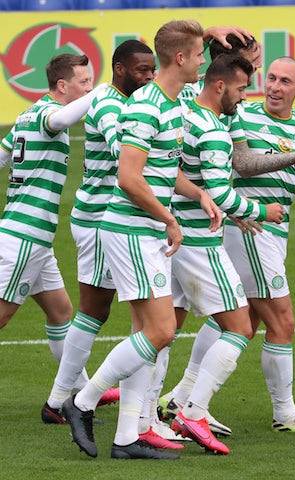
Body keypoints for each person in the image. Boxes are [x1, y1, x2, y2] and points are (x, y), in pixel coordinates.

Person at [161, 58, 295, 434]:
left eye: (286, 81)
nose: (275, 87)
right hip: (250, 230)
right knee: (278, 321)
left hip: (258, 231)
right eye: (271, 79)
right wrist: (261, 207)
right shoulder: (238, 115)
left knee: (238, 317)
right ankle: (282, 413)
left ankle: (180, 398)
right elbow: (244, 166)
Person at [62, 20, 221, 460]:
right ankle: (81, 402)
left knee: (144, 331)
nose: (203, 62)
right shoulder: (146, 106)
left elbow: (163, 169)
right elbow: (129, 177)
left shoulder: (169, 104)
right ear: (181, 58)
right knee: (162, 330)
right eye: (198, 54)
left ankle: (127, 436)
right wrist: (170, 218)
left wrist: (199, 193)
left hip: (143, 230)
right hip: (132, 230)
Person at [169, 54, 285, 454]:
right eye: (240, 88)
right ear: (220, 86)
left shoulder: (185, 113)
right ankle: (192, 411)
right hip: (201, 242)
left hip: (175, 232)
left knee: (159, 330)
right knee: (239, 327)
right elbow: (218, 193)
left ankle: (149, 411)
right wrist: (261, 212)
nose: (244, 96)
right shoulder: (214, 130)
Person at [41, 40, 156, 426]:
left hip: (106, 214)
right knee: (102, 311)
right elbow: (120, 144)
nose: (149, 77)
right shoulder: (108, 102)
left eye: (152, 70)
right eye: (142, 71)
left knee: (100, 311)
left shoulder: (133, 99)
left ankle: (60, 401)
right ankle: (68, 402)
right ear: (120, 69)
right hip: (99, 218)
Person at [0, 54, 107, 392]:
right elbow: (59, 120)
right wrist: (103, 92)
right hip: (25, 236)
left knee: (61, 312)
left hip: (33, 239)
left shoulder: (26, 114)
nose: (88, 87)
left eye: (91, 81)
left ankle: (76, 394)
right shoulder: (47, 114)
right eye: (83, 82)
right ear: (62, 86)